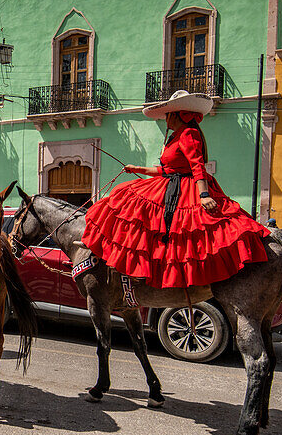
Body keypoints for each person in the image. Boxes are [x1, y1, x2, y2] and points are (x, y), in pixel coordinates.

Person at [81, 90, 270, 288]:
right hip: (172, 182)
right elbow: (168, 170)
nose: (166, 119)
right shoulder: (176, 136)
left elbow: (197, 165)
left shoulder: (189, 133)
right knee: (128, 198)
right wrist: (137, 169)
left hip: (185, 187)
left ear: (177, 114)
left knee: (141, 210)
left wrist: (204, 195)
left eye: (168, 115)